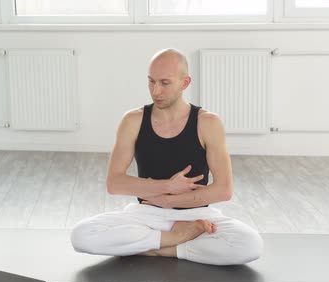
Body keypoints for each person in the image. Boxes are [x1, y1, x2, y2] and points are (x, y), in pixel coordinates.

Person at [71, 48, 263, 265]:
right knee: (81, 235)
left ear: (185, 83)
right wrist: (168, 186)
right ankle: (172, 240)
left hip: (196, 217)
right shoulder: (132, 120)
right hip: (146, 215)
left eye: (165, 83)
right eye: (151, 81)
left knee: (250, 244)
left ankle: (159, 249)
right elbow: (115, 183)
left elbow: (223, 190)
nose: (156, 91)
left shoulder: (208, 122)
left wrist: (170, 200)